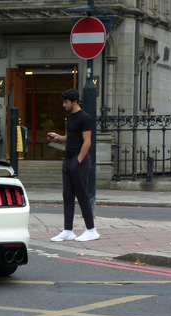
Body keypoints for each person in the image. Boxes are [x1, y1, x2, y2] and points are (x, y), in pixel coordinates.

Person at [47, 88, 99, 242]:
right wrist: (57, 138)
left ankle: (91, 230)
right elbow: (70, 138)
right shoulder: (69, 118)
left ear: (74, 101)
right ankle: (68, 230)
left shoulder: (85, 118)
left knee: (82, 195)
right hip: (68, 159)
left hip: (79, 160)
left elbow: (87, 142)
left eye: (66, 102)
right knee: (67, 195)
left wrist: (78, 161)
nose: (64, 105)